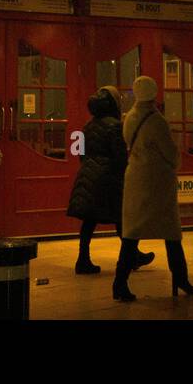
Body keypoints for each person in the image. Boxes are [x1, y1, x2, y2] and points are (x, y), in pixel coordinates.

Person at [112, 76, 193, 302]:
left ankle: (119, 282)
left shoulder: (129, 117)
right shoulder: (156, 121)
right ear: (154, 94)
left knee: (132, 234)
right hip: (157, 181)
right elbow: (170, 153)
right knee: (171, 232)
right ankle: (181, 277)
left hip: (135, 178)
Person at [65, 87, 153, 275]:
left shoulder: (87, 127)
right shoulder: (115, 126)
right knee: (122, 218)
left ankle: (83, 259)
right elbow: (120, 157)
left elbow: (80, 154)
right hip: (108, 178)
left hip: (88, 175)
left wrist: (91, 166)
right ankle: (132, 257)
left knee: (89, 220)